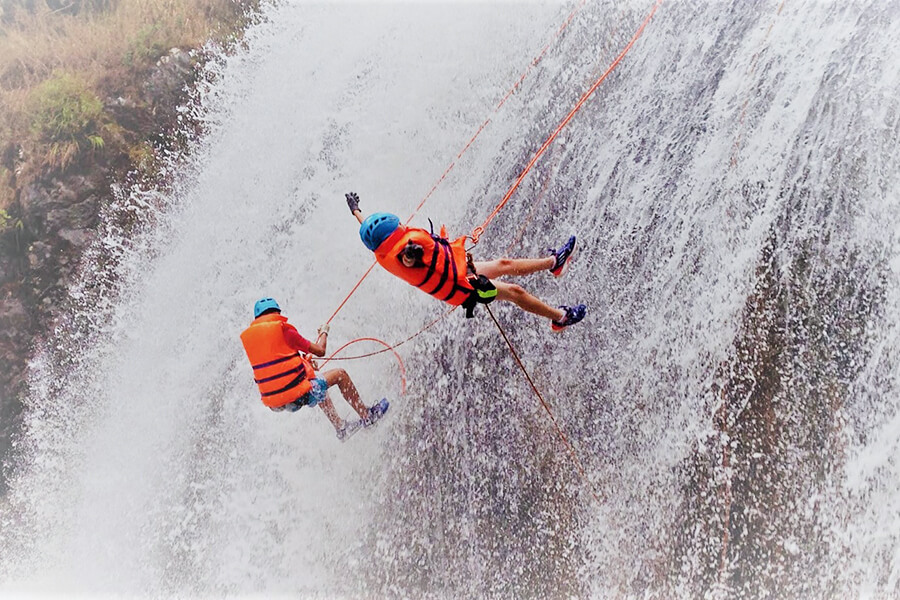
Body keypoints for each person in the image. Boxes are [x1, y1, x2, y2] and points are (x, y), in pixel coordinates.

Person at [344, 192, 587, 330]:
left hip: (463, 272)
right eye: (398, 226)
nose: (402, 225)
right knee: (515, 292)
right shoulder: (404, 252)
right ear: (394, 232)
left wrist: (356, 210)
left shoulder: (380, 250)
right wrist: (412, 254)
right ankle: (561, 317)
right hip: (467, 289)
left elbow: (369, 229)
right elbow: (407, 259)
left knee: (504, 264)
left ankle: (554, 262)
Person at [239, 297, 387, 440]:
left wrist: (305, 364)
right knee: (340, 375)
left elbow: (276, 370)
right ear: (277, 313)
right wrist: (324, 331)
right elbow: (320, 350)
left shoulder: (253, 343)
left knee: (317, 381)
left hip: (276, 404)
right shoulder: (285, 332)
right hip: (296, 397)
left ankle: (341, 427)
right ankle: (367, 416)